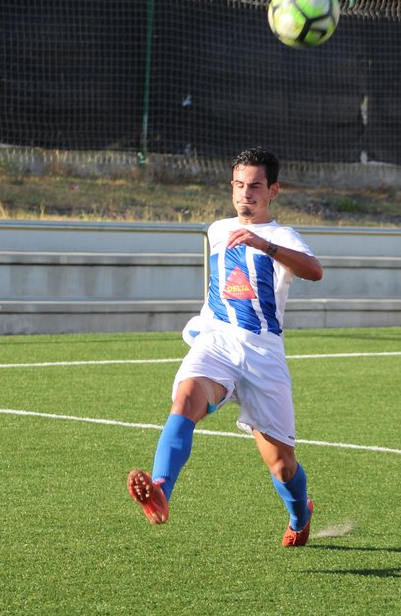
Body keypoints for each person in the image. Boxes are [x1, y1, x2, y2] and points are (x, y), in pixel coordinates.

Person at [127, 146, 324, 546]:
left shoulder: (282, 236)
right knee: (185, 399)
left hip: (262, 354)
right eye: (238, 185)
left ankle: (300, 515)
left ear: (273, 190)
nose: (245, 193)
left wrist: (263, 245)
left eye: (255, 186)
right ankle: (161, 488)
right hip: (217, 342)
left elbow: (315, 271)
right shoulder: (217, 230)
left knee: (282, 465)